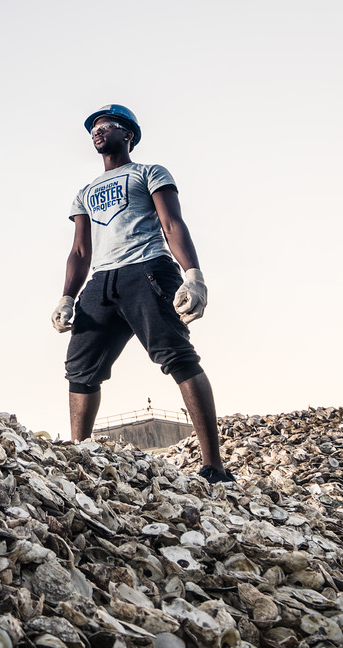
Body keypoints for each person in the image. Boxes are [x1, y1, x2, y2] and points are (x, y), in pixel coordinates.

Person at [50, 104, 233, 483]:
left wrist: (193, 275)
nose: (98, 132)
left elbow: (171, 222)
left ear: (128, 134)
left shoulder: (149, 172)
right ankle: (79, 456)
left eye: (107, 126)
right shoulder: (84, 192)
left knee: (177, 357)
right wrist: (67, 296)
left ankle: (213, 465)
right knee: (80, 370)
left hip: (147, 269)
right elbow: (81, 251)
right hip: (101, 282)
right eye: (94, 129)